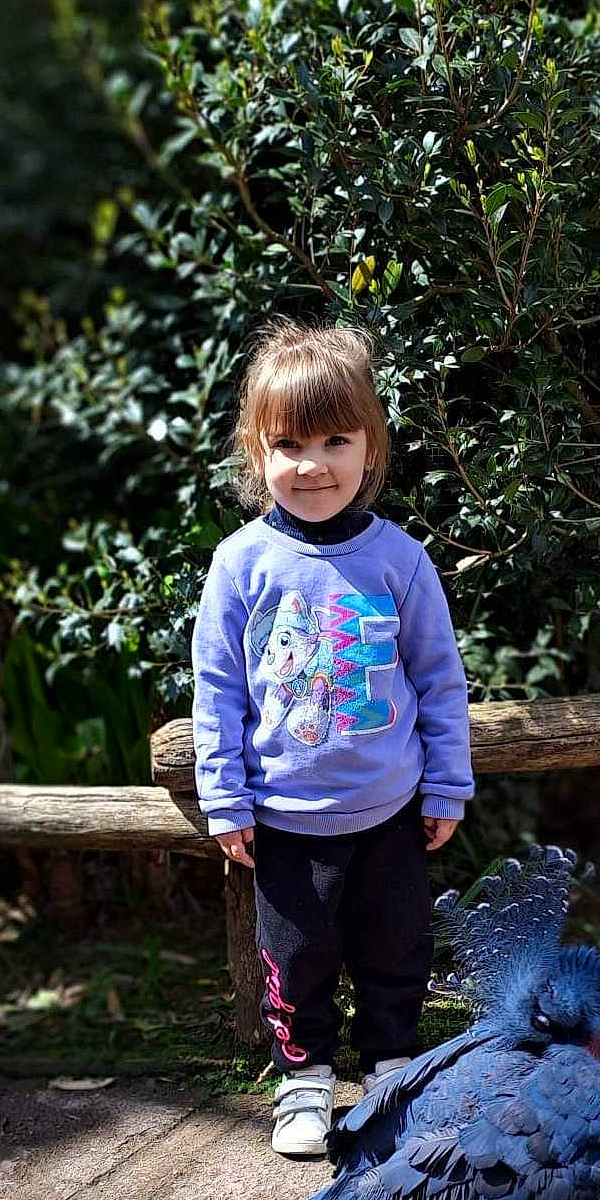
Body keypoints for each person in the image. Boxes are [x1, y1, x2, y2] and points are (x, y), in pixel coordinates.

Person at [191, 318, 473, 1157]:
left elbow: (439, 680)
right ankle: (304, 1080)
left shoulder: (401, 561)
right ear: (257, 452)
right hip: (283, 817)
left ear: (371, 446)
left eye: (335, 441)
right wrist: (224, 796)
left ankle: (393, 1070)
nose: (312, 464)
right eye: (289, 444)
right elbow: (217, 689)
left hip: (390, 810)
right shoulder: (240, 565)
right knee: (299, 958)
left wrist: (447, 786)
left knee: (398, 949)